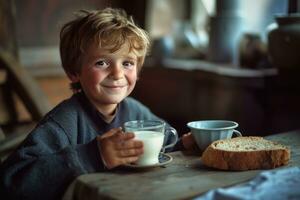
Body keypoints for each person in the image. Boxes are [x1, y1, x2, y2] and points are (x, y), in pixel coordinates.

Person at [0, 8, 195, 200]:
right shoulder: (65, 122)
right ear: (74, 72)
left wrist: (184, 145)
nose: (117, 74)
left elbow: (162, 148)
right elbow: (10, 182)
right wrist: (95, 155)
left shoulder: (136, 111)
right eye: (102, 62)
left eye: (127, 63)